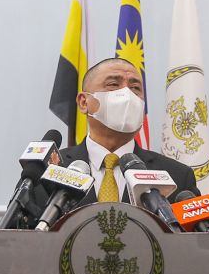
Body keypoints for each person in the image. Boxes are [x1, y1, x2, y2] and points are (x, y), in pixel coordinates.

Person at [43, 57, 198, 208]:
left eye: (135, 88)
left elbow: (196, 233)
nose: (127, 95)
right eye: (113, 84)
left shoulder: (177, 176)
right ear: (84, 102)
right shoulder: (49, 170)